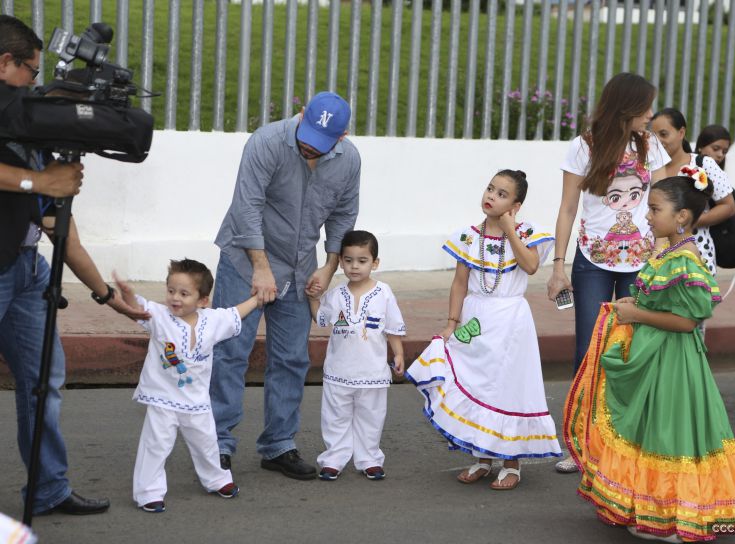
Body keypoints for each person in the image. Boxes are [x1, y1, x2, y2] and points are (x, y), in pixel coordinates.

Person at [0, 15, 148, 516]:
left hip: (26, 269)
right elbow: (38, 189)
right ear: (5, 63)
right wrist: (37, 183)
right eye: (30, 72)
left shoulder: (27, 120)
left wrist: (108, 299)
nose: (35, 84)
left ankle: (47, 490)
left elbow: (60, 230)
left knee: (45, 384)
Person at [563, 170, 735, 542]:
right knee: (653, 430)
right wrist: (634, 302)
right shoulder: (669, 250)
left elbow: (686, 322)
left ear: (682, 216)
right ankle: (656, 507)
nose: (648, 216)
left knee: (669, 434)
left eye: (654, 209)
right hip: (655, 353)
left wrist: (636, 314)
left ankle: (675, 517)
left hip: (672, 359)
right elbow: (663, 301)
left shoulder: (684, 258)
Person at [210, 91, 360, 480]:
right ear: (300, 115)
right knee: (230, 352)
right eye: (307, 140)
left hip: (300, 268)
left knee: (292, 358)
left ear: (342, 137)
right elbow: (247, 205)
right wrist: (260, 267)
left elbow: (344, 215)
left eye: (321, 147)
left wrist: (329, 268)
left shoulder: (349, 160)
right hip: (245, 262)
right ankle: (217, 444)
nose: (310, 150)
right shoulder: (267, 141)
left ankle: (278, 445)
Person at [405, 170, 562, 491]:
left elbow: (531, 266)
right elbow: (459, 282)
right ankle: (481, 458)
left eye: (502, 194)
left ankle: (512, 463)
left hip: (511, 321)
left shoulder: (528, 233)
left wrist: (509, 230)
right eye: (491, 188)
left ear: (515, 205)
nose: (492, 195)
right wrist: (451, 323)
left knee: (507, 388)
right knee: (474, 384)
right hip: (475, 320)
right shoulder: (468, 236)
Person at [546, 73, 670, 473]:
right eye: (646, 107)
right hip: (592, 261)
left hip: (641, 262)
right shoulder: (584, 146)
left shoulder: (651, 147)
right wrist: (559, 266)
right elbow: (568, 208)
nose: (651, 114)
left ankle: (629, 444)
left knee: (633, 353)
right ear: (626, 107)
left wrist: (664, 256)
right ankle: (582, 446)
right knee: (589, 351)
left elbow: (666, 203)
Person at [114, 259, 259, 513]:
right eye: (171, 291)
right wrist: (127, 294)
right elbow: (138, 307)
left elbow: (235, 313)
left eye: (184, 293)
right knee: (156, 444)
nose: (175, 298)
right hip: (162, 398)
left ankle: (217, 479)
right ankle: (149, 492)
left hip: (197, 400)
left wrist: (258, 299)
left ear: (202, 300)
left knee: (206, 442)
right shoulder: (158, 316)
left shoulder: (212, 320)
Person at [308, 230, 406, 481]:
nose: (354, 266)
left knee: (371, 417)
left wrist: (398, 354)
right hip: (339, 371)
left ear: (375, 263)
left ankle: (369, 458)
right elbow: (321, 319)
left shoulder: (384, 293)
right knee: (335, 418)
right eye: (349, 260)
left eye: (362, 261)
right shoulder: (335, 295)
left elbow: (393, 327)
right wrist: (313, 298)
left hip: (372, 372)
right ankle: (333, 459)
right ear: (340, 261)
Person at [651, 108, 735, 275]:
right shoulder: (648, 167)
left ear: (681, 132)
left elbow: (728, 207)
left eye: (664, 134)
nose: (658, 141)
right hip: (654, 255)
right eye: (653, 136)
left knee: (693, 299)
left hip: (697, 253)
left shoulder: (703, 164)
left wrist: (688, 221)